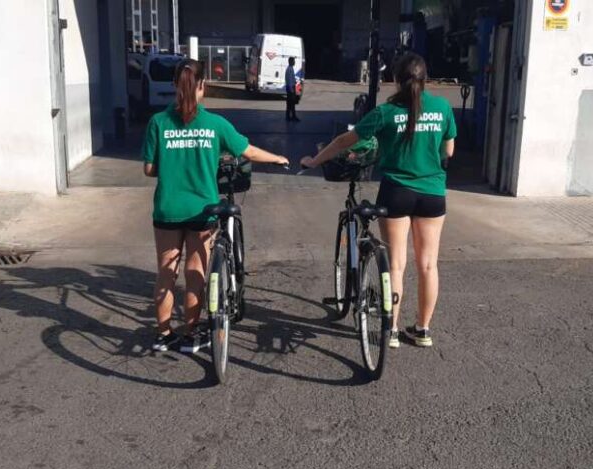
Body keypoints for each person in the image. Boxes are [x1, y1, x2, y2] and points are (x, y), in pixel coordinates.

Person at [301, 53, 455, 349]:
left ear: (395, 80)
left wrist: (315, 160)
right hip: (433, 193)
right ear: (426, 79)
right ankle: (422, 330)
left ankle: (391, 331)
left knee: (395, 264)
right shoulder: (443, 107)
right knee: (428, 265)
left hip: (397, 192)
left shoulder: (386, 112)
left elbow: (345, 141)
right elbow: (448, 151)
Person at [143, 59, 289, 353]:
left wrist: (172, 165)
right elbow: (248, 151)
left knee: (166, 273)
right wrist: (277, 158)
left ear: (174, 85)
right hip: (203, 209)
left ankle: (163, 335)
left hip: (168, 209)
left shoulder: (158, 122)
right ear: (203, 85)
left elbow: (149, 169)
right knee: (195, 272)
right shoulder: (216, 124)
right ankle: (190, 334)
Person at [285, 57, 300, 122]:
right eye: (293, 61)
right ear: (291, 62)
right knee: (291, 103)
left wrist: (295, 81)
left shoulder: (290, 68)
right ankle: (292, 117)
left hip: (290, 87)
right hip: (290, 88)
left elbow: (291, 79)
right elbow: (289, 80)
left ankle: (289, 116)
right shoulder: (290, 69)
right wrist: (292, 90)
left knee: (290, 104)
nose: (294, 62)